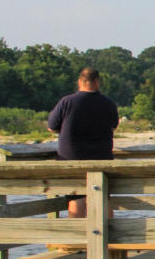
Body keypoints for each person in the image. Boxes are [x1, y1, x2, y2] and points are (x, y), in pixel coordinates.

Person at [47, 67, 119, 217]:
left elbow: (52, 127)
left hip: (71, 159)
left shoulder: (66, 102)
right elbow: (113, 126)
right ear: (97, 82)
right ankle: (110, 236)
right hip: (101, 159)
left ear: (80, 81)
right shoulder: (108, 103)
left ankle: (78, 237)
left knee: (76, 197)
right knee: (103, 198)